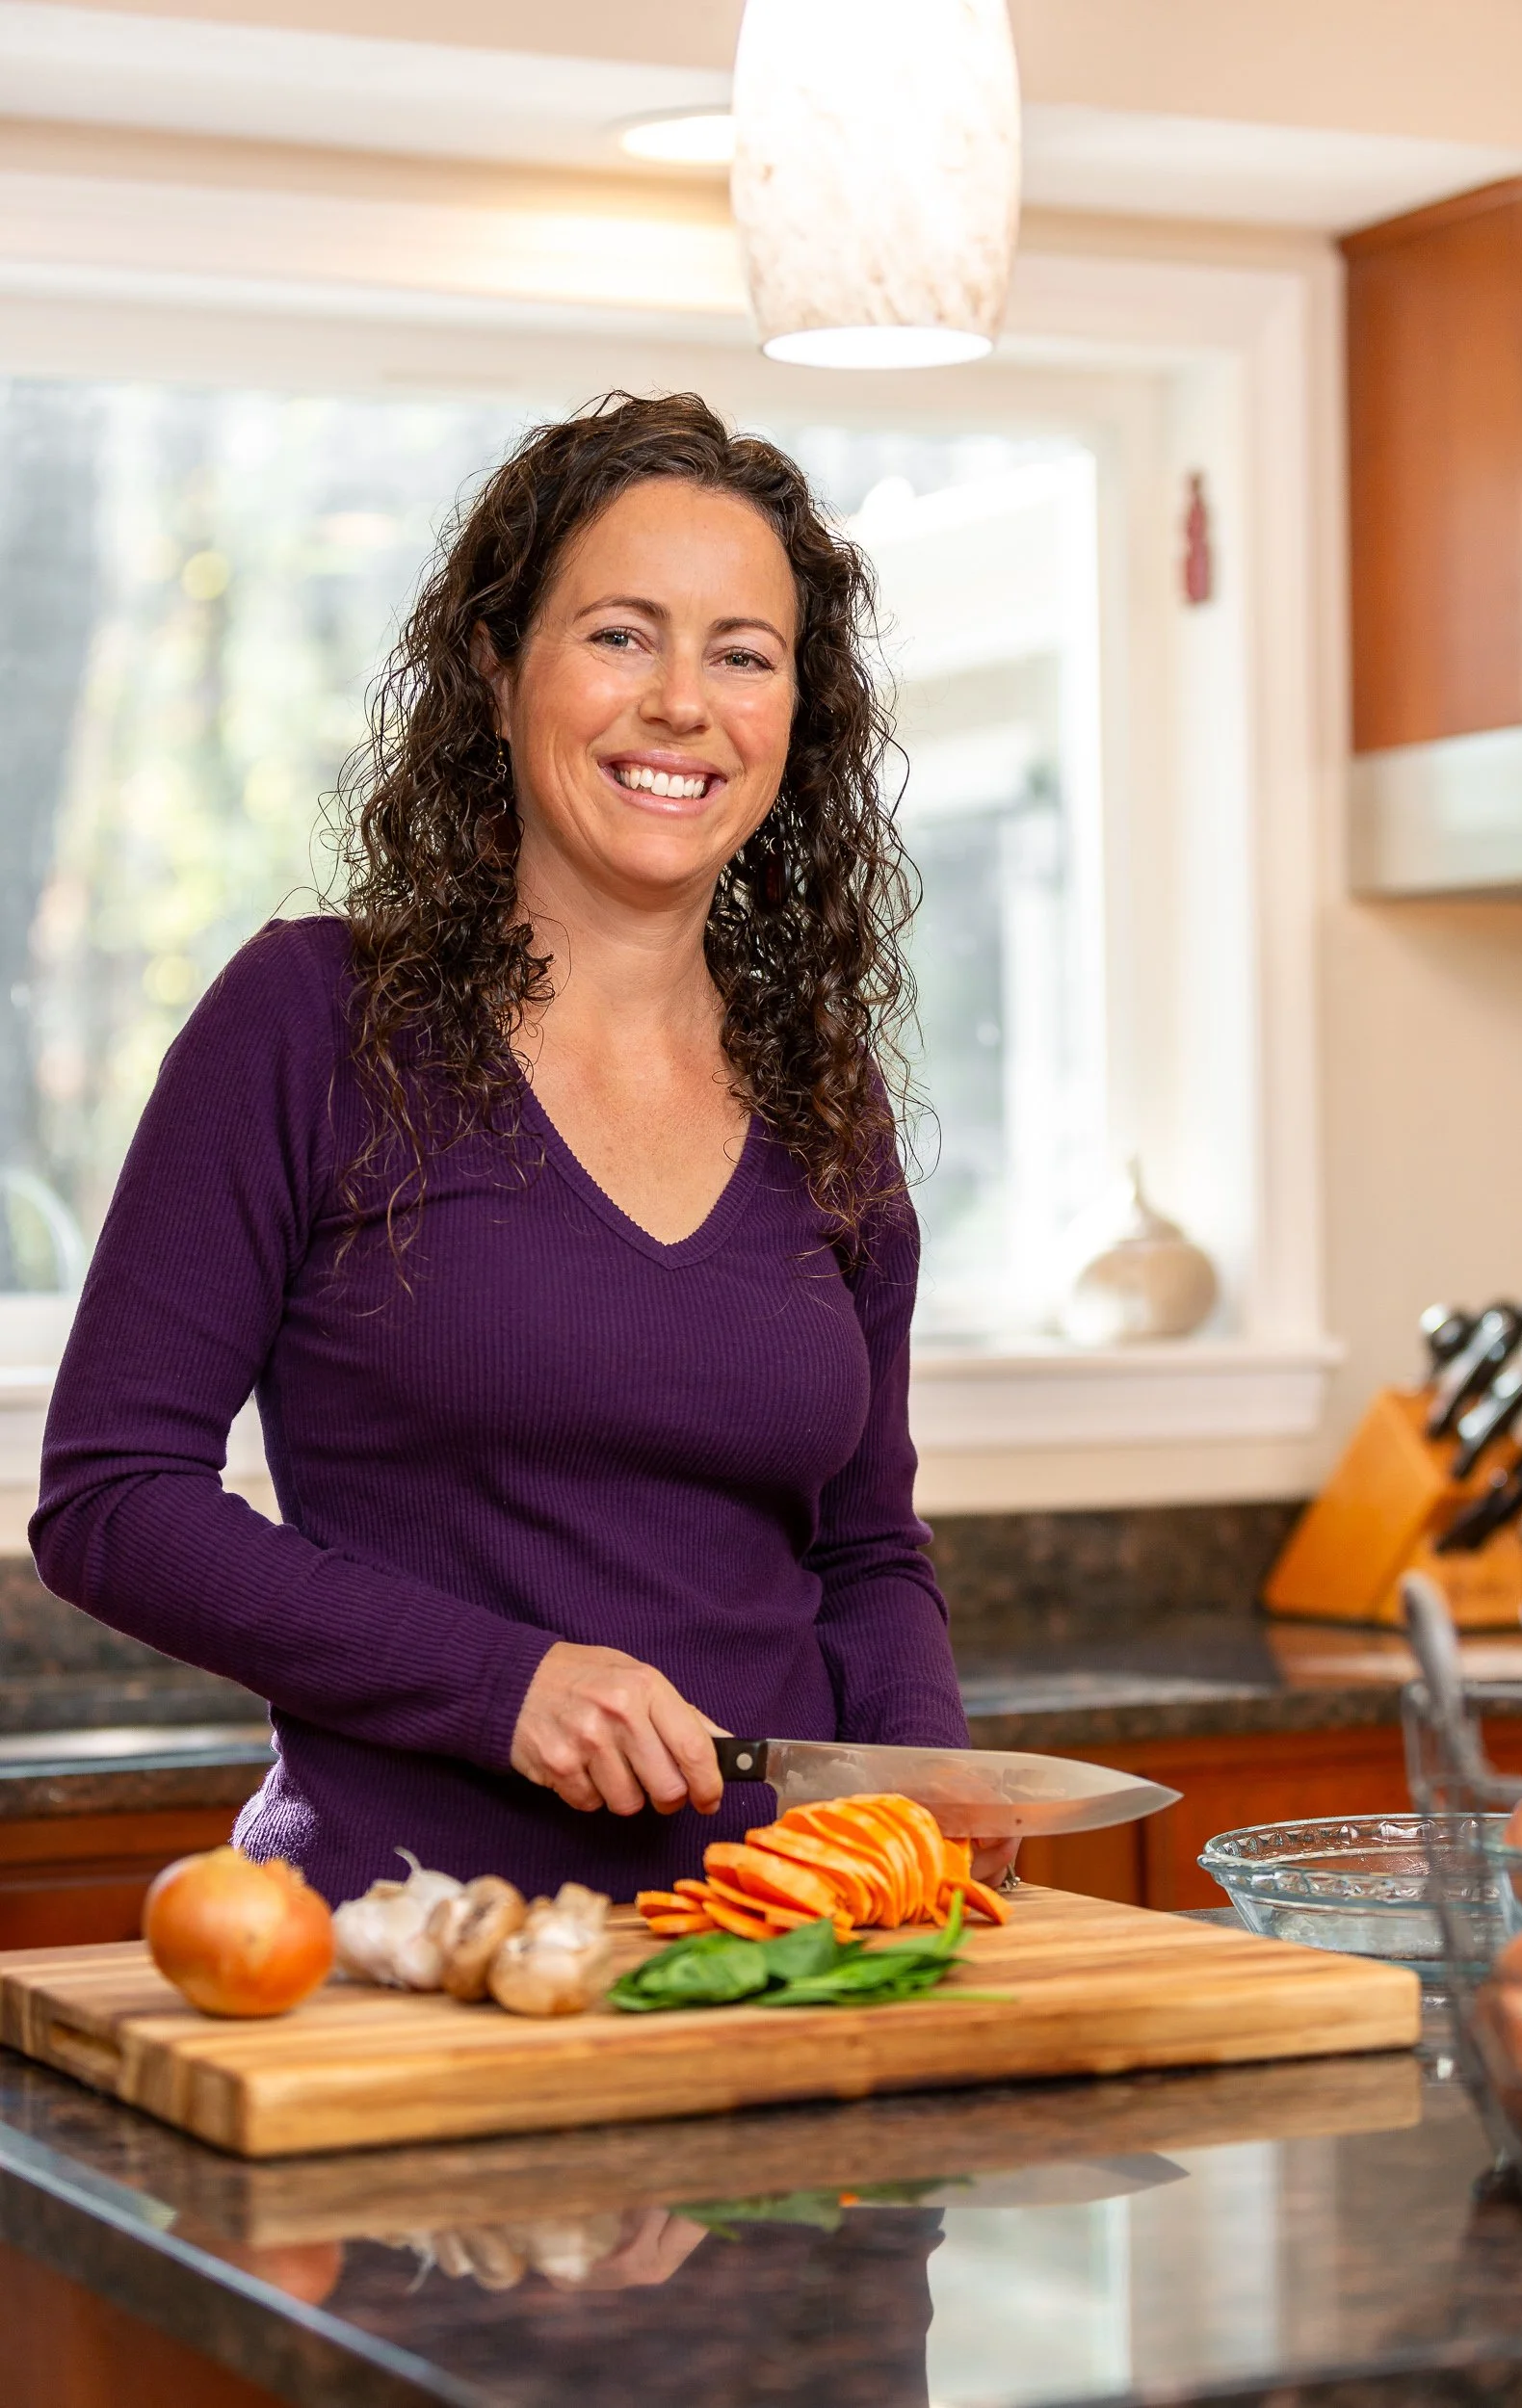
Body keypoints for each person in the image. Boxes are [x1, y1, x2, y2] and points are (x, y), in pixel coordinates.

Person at [32, 391, 996, 1908]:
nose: (682, 702)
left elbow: (865, 1552)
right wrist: (508, 1687)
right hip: (409, 1955)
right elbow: (113, 1501)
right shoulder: (306, 1022)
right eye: (621, 635)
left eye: (742, 654)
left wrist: (917, 1788)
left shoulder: (823, 1092)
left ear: (794, 717)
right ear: (495, 672)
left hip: (776, 1958)